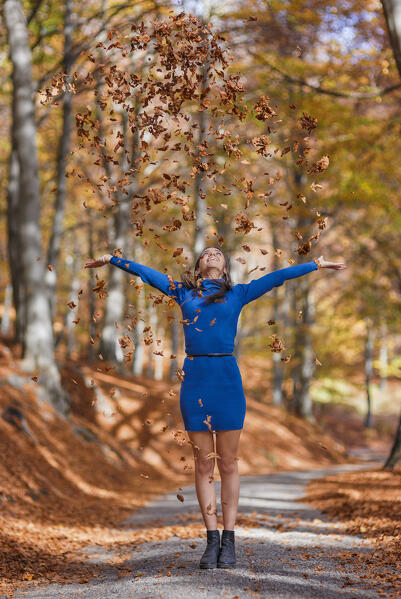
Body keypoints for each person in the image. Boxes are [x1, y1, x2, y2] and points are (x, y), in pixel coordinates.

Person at [85, 248, 346, 569]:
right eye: (206, 253)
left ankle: (230, 540)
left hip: (227, 381)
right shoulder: (183, 293)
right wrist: (113, 259)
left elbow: (278, 277)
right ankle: (211, 541)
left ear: (223, 268)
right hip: (194, 380)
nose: (211, 254)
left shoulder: (238, 293)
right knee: (203, 465)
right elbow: (147, 273)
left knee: (228, 464)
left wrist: (316, 264)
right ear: (198, 267)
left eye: (217, 253)